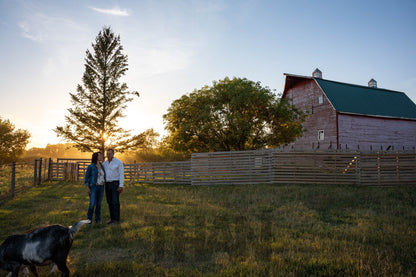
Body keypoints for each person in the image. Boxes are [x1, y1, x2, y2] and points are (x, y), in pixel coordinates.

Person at [102, 148, 124, 224]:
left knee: (115, 202)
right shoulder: (104, 163)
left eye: (110, 154)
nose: (108, 155)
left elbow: (121, 174)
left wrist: (121, 186)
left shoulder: (118, 162)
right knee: (109, 202)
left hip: (115, 184)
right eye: (107, 154)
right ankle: (111, 219)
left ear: (113, 154)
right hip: (107, 184)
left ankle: (116, 220)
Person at [84, 152, 106, 224]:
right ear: (96, 157)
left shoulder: (102, 166)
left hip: (101, 187)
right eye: (100, 155)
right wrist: (87, 187)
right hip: (93, 186)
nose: (101, 156)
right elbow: (86, 177)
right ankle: (89, 221)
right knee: (92, 204)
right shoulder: (91, 166)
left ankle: (98, 220)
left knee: (98, 205)